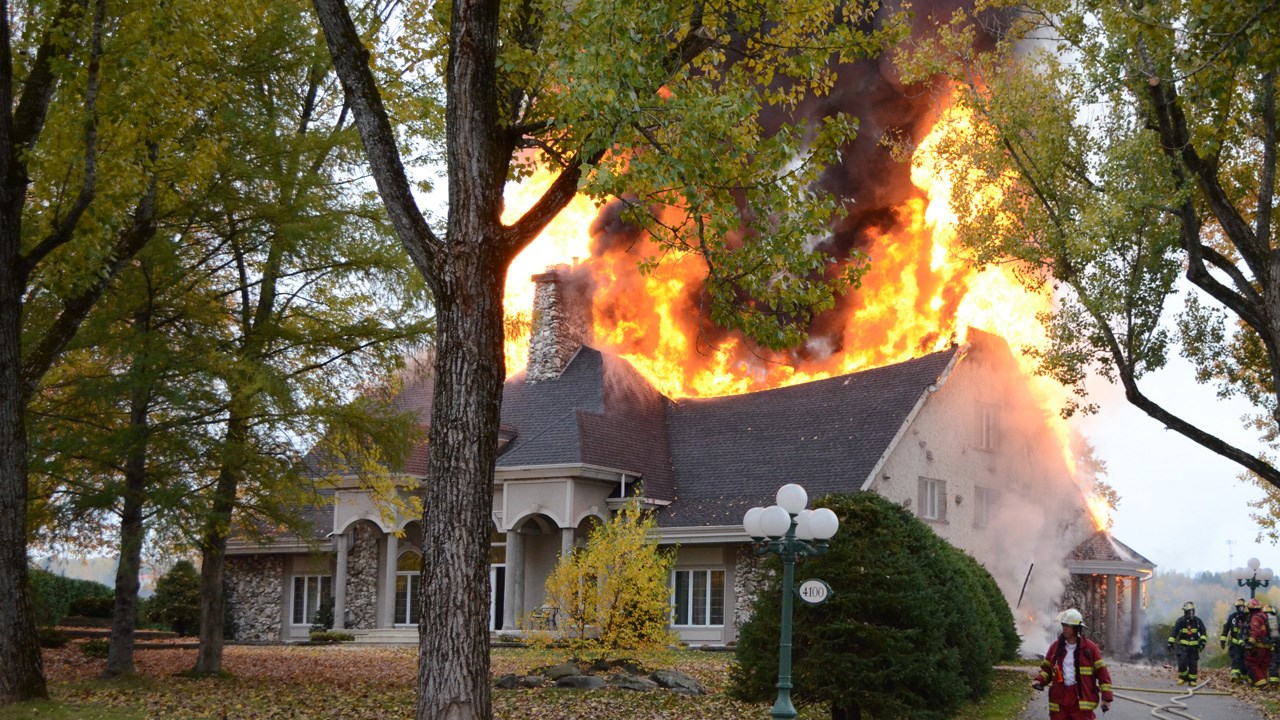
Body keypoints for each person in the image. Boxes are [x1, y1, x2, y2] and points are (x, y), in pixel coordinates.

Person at [1033, 608, 1113, 718]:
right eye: (1063, 625)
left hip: (1081, 700)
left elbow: (1103, 674)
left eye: (1067, 625)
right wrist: (1039, 681)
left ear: (1076, 628)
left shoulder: (1090, 648)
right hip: (1060, 698)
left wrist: (1106, 698)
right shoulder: (1056, 647)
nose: (1064, 628)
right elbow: (1047, 669)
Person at [1167, 601, 1207, 685]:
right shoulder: (1180, 621)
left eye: (1191, 611)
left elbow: (1203, 632)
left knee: (1193, 664)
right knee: (1182, 662)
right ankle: (1183, 677)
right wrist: (1170, 642)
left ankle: (1192, 680)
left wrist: (1202, 641)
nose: (1190, 613)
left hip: (1194, 647)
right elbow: (1174, 631)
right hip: (1183, 646)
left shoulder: (1198, 621)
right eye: (1188, 612)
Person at [1246, 598, 1273, 687]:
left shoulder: (1255, 618)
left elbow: (1255, 631)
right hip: (1268, 646)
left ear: (1250, 609)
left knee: (1251, 663)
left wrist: (1250, 643)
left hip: (1259, 646)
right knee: (1262, 666)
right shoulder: (1266, 616)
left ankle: (1261, 684)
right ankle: (1263, 683)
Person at [1223, 597, 1249, 683]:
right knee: (1236, 658)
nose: (1239, 609)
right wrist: (1223, 639)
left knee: (1245, 661)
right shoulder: (1232, 617)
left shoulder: (1247, 617)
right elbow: (1226, 628)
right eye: (1238, 607)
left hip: (1245, 643)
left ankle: (1244, 677)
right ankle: (1234, 675)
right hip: (1234, 643)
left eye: (1241, 607)